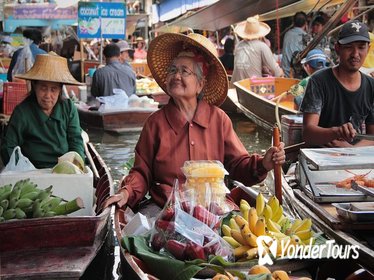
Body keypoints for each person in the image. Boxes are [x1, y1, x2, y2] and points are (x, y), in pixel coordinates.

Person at [104, 33, 285, 211]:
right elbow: (142, 172)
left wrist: (264, 164)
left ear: (200, 84)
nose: (176, 76)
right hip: (165, 210)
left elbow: (238, 166)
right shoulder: (155, 123)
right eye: (173, 70)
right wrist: (126, 193)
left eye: (184, 71)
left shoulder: (218, 119)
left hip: (213, 210)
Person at [1, 52, 85, 168]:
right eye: (43, 88)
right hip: (31, 172)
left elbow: (76, 141)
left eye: (53, 89)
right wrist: (20, 170)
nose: (47, 95)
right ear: (35, 87)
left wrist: (76, 166)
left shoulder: (68, 108)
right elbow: (8, 147)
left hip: (64, 171)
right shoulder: (22, 112)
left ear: (60, 90)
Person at [300, 20, 374, 147]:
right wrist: (336, 131)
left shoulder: (371, 86)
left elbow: (372, 137)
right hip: (319, 157)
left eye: (361, 47)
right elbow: (308, 133)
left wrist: (351, 150)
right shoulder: (318, 81)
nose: (355, 54)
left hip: (355, 158)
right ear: (338, 48)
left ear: (368, 49)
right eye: (349, 47)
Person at [231, 15, 283, 84]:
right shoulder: (262, 46)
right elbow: (275, 70)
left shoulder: (238, 45)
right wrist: (281, 73)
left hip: (236, 86)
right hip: (252, 88)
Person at [281, 12, 308, 77]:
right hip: (297, 75)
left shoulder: (287, 34)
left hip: (285, 73)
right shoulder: (305, 36)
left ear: (293, 23)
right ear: (305, 23)